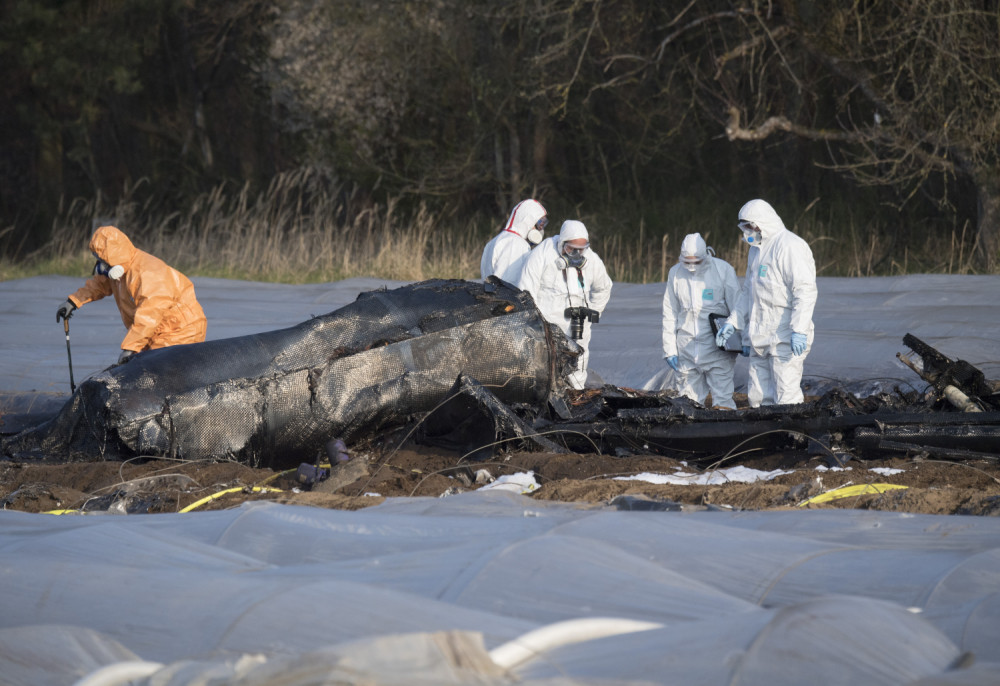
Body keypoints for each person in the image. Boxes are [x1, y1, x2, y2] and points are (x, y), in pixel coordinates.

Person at [55, 225, 208, 364]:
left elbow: (150, 315)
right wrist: (73, 302)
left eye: (102, 260)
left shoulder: (148, 272)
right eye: (98, 259)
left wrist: (130, 348)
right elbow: (99, 285)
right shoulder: (117, 271)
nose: (101, 266)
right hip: (156, 332)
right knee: (148, 372)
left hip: (181, 331)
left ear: (113, 256)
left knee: (160, 372)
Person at [716, 199, 817, 406]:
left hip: (785, 336)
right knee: (758, 398)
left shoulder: (790, 246)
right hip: (760, 337)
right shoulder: (756, 250)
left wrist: (799, 330)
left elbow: (805, 291)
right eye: (744, 227)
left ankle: (791, 436)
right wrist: (733, 323)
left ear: (763, 222)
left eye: (749, 226)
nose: (747, 232)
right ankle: (763, 437)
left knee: (786, 396)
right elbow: (748, 293)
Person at [518, 219, 612, 389]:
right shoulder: (543, 253)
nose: (576, 254)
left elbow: (604, 287)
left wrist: (593, 313)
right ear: (562, 243)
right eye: (571, 249)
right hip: (548, 323)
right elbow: (526, 289)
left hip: (578, 322)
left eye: (581, 249)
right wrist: (534, 322)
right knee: (544, 364)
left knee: (579, 360)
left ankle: (575, 395)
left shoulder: (592, 259)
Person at [662, 233, 741, 409]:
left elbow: (738, 306)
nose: (691, 266)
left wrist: (737, 332)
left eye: (696, 262)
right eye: (687, 262)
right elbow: (670, 313)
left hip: (717, 350)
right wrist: (669, 349)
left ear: (706, 255)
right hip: (687, 351)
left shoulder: (722, 270)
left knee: (723, 400)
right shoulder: (675, 273)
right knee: (687, 404)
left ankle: (726, 434)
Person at [480, 199, 548, 285]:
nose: (540, 230)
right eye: (539, 224)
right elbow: (509, 284)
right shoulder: (516, 243)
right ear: (528, 221)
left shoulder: (494, 241)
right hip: (502, 297)